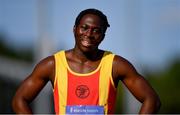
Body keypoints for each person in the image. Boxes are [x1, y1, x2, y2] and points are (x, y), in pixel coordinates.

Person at [12, 8, 161, 114]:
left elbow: (152, 100)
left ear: (103, 36)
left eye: (96, 31)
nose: (89, 34)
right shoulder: (52, 64)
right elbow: (19, 100)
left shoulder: (115, 65)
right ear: (75, 29)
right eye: (84, 28)